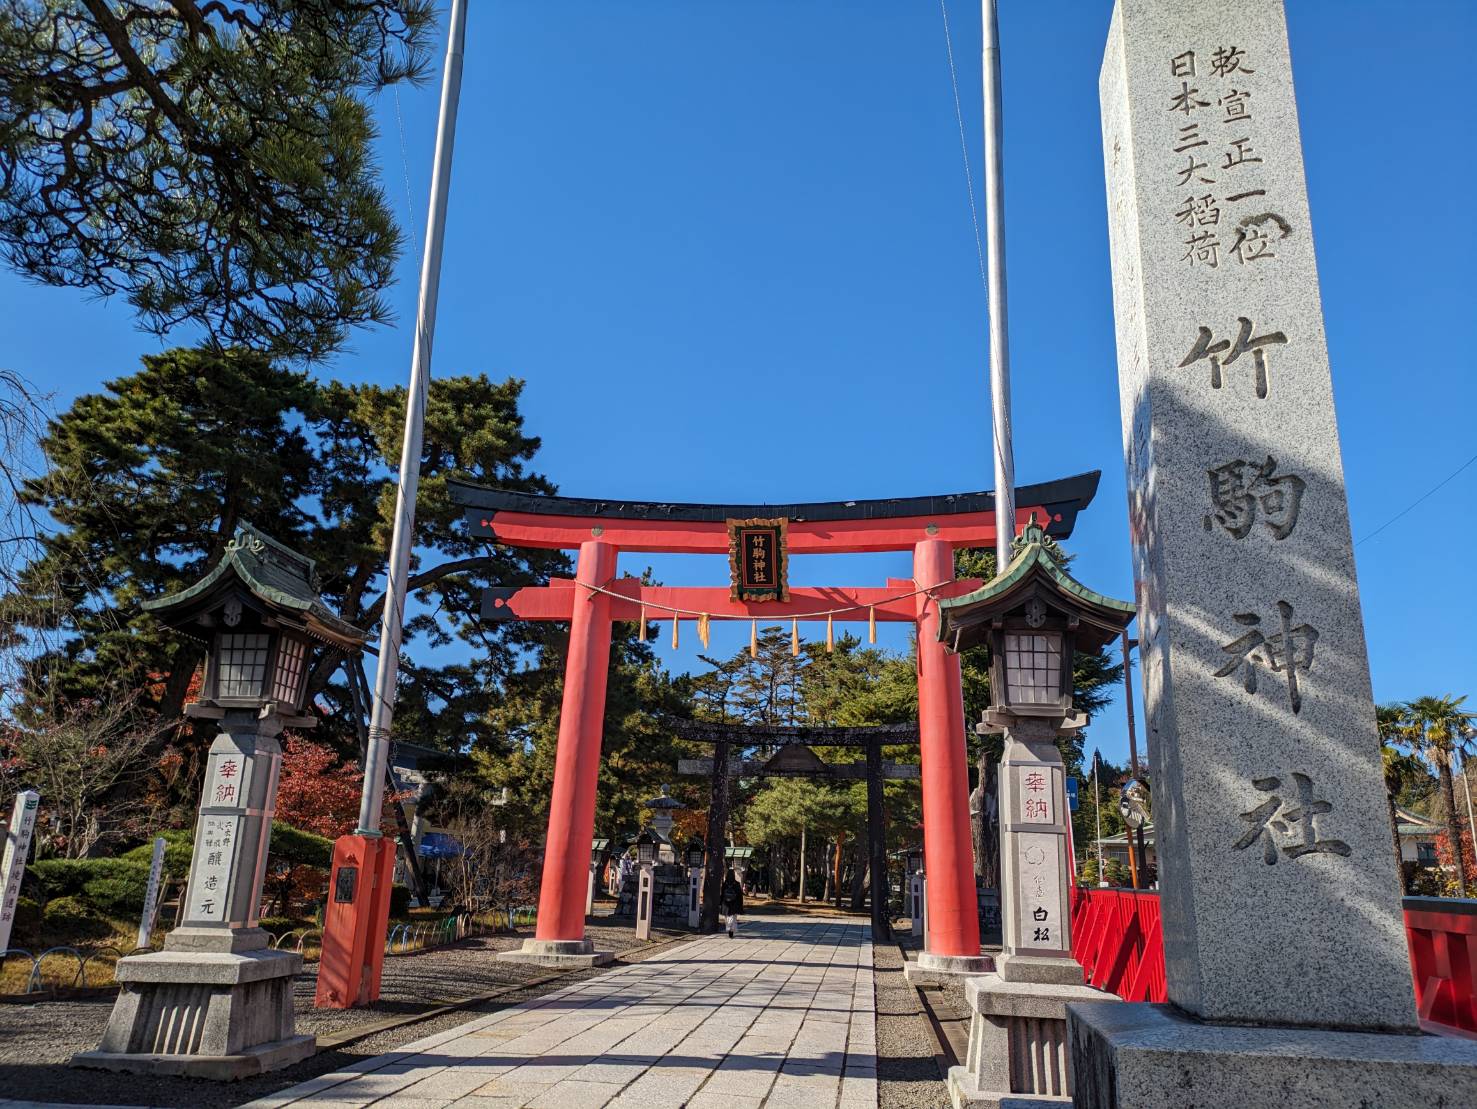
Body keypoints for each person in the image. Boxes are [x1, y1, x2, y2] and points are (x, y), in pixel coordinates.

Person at [720, 868, 744, 938]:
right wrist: (741, 905)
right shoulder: (737, 884)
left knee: (727, 917)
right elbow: (740, 895)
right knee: (733, 917)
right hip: (734, 903)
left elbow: (722, 894)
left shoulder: (725, 884)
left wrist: (720, 903)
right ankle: (732, 930)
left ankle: (729, 928)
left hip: (726, 903)